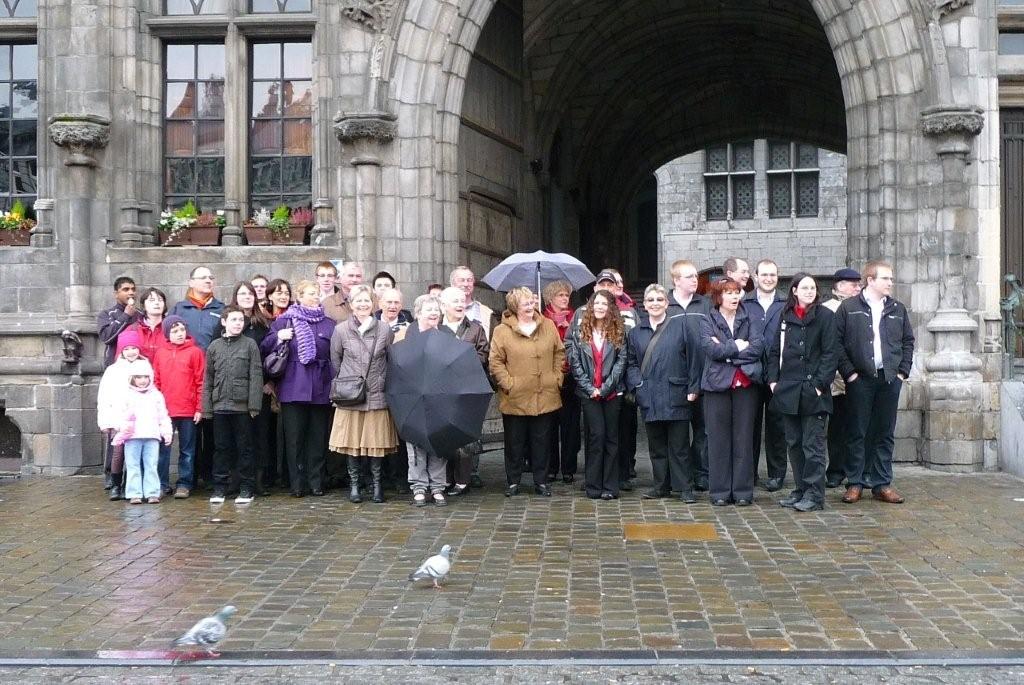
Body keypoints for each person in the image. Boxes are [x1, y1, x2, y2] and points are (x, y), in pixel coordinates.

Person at [835, 260, 915, 505]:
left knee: (884, 431)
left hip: (889, 378)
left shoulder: (897, 309)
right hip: (860, 378)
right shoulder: (849, 308)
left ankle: (881, 483)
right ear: (870, 280)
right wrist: (850, 373)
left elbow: (908, 341)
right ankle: (855, 482)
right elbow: (836, 343)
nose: (890, 283)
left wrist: (902, 372)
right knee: (857, 430)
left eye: (891, 279)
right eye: (885, 279)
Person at [766, 274, 839, 512]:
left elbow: (831, 353)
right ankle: (800, 488)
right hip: (787, 389)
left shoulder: (826, 316)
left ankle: (815, 494)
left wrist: (819, 385)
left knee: (813, 446)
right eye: (804, 287)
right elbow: (775, 349)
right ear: (794, 290)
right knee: (794, 443)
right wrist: (773, 381)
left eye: (813, 288)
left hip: (813, 391)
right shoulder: (784, 316)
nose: (809, 291)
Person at [489, 286, 564, 497]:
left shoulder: (547, 325)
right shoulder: (502, 331)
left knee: (542, 441)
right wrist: (508, 383)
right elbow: (495, 361)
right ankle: (513, 481)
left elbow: (559, 352)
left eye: (532, 302)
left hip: (545, 393)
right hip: (516, 395)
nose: (531, 306)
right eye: (526, 303)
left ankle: (541, 481)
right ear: (515, 307)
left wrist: (556, 377)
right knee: (515, 442)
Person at [263, 280, 336, 498]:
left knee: (318, 437)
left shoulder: (329, 323)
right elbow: (264, 347)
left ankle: (316, 481)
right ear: (300, 296)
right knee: (294, 439)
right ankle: (296, 483)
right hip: (293, 387)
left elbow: (335, 355)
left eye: (317, 293)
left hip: (321, 386)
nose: (315, 297)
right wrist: (278, 337)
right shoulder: (284, 321)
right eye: (311, 293)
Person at [625, 284, 696, 502]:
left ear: (667, 303)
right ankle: (661, 485)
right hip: (650, 395)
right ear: (644, 305)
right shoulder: (636, 333)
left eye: (659, 300)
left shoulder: (681, 326)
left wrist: (693, 387)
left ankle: (684, 488)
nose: (655, 303)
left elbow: (694, 358)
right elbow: (631, 362)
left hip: (677, 392)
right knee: (656, 446)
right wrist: (638, 386)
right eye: (651, 300)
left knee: (680, 446)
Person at [329, 284, 397, 504]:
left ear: (373, 303)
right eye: (358, 300)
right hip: (351, 396)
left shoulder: (384, 330)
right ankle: (355, 485)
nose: (362, 304)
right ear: (351, 304)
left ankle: (377, 486)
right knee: (352, 443)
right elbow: (336, 361)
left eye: (366, 300)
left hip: (376, 394)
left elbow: (389, 360)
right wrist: (349, 382)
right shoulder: (341, 330)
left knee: (375, 443)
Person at [700, 278, 764, 507]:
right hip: (716, 385)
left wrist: (727, 352)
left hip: (745, 384)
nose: (735, 297)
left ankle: (743, 491)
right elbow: (710, 349)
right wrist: (738, 345)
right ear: (719, 297)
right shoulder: (708, 319)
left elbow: (757, 347)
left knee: (743, 438)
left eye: (737, 292)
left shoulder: (751, 317)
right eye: (729, 292)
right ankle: (719, 491)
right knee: (718, 439)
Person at [567, 290, 627, 500]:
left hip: (612, 393)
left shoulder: (618, 332)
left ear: (611, 308)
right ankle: (593, 485)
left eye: (605, 304)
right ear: (591, 306)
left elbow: (621, 362)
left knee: (611, 438)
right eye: (597, 303)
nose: (600, 307)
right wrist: (590, 388)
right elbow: (575, 362)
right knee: (596, 436)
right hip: (588, 393)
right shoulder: (580, 332)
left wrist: (606, 388)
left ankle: (610, 487)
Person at [202, 306, 263, 504]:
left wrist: (254, 405)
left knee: (245, 448)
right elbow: (208, 379)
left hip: (242, 407)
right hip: (220, 406)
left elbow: (256, 375)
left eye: (240, 320)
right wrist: (207, 408)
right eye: (234, 320)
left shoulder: (250, 344)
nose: (238, 324)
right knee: (221, 448)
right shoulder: (214, 347)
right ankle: (220, 487)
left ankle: (246, 487)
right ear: (224, 322)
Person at [397, 294, 452, 506]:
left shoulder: (447, 335)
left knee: (438, 443)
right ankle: (419, 486)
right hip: (412, 397)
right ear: (418, 313)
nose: (433, 313)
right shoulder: (405, 334)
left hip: (441, 397)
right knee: (416, 445)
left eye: (436, 309)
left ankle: (437, 487)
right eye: (429, 309)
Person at [437, 286, 489, 497]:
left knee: (465, 435)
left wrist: (459, 359)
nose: (460, 305)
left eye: (461, 301)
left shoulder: (475, 329)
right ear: (444, 305)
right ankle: (446, 478)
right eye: (454, 301)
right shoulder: (437, 328)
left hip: (467, 388)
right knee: (444, 434)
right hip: (442, 389)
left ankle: (463, 479)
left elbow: (483, 354)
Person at [666, 259, 712, 492]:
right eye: (690, 276)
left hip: (703, 378)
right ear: (676, 280)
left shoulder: (705, 305)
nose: (695, 280)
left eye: (696, 276)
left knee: (703, 430)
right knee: (678, 432)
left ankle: (701, 473)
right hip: (675, 380)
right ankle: (680, 476)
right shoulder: (664, 304)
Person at [593, 269, 640, 490]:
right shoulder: (585, 314)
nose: (606, 288)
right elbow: (575, 349)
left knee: (621, 433)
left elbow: (632, 348)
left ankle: (621, 475)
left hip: (621, 384)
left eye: (609, 285)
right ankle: (596, 477)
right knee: (597, 434)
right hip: (592, 387)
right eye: (602, 284)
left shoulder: (629, 313)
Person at [743, 259, 787, 492]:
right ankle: (749, 474)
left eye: (773, 275)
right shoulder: (744, 302)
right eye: (764, 275)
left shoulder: (786, 303)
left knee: (776, 426)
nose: (769, 279)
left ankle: (777, 474)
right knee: (749, 425)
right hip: (750, 371)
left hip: (777, 373)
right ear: (756, 276)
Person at [152, 315, 205, 499]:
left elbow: (200, 381)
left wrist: (199, 407)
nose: (180, 334)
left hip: (188, 410)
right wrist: (156, 409)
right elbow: (156, 382)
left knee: (187, 450)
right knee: (162, 450)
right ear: (167, 334)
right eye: (175, 331)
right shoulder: (160, 353)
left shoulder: (195, 352)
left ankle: (184, 483)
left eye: (182, 330)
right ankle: (161, 484)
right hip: (165, 411)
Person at [230, 281, 273, 494]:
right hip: (235, 388)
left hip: (259, 386)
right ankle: (237, 479)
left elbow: (270, 355)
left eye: (250, 293)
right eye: (242, 293)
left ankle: (259, 479)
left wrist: (269, 381)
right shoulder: (229, 321)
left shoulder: (263, 323)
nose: (246, 297)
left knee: (259, 435)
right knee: (238, 435)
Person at [96, 330, 150, 501]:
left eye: (134, 348)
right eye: (127, 349)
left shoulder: (145, 367)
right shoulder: (113, 370)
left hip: (140, 419)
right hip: (118, 419)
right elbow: (104, 397)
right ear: (121, 351)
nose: (131, 352)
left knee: (135, 454)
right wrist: (105, 421)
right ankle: (115, 484)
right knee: (118, 453)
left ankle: (131, 484)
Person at [821, 268, 863, 488]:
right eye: (851, 283)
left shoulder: (864, 307)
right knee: (837, 427)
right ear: (837, 286)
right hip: (836, 378)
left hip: (861, 376)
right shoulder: (827, 309)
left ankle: (858, 469)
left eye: (858, 283)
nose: (856, 287)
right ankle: (836, 469)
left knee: (857, 425)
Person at [110, 360, 172, 505]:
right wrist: (122, 426)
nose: (142, 381)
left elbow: (163, 415)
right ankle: (134, 493)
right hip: (132, 437)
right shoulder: (126, 395)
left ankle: (152, 492)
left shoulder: (156, 395)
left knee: (151, 464)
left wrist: (166, 432)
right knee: (133, 465)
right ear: (132, 378)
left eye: (145, 377)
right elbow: (118, 414)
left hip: (152, 436)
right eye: (138, 377)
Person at [542, 280, 581, 484]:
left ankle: (568, 467)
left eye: (567, 295)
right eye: (560, 295)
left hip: (571, 376)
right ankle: (551, 467)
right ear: (550, 298)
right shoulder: (542, 319)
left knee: (570, 425)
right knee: (549, 424)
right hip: (549, 376)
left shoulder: (576, 317)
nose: (565, 298)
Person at [170, 266, 224, 350]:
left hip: (212, 361)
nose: (208, 281)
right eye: (203, 278)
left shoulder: (221, 309)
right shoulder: (178, 309)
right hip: (186, 361)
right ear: (191, 283)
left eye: (211, 278)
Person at [98, 276, 141, 368]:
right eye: (126, 290)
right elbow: (106, 338)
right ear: (116, 294)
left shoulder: (141, 314)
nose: (131, 293)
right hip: (115, 365)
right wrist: (125, 316)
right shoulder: (107, 314)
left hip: (139, 365)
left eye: (133, 289)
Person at [122, 287, 168, 364]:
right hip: (140, 374)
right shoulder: (132, 329)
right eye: (152, 300)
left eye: (160, 300)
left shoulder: (173, 328)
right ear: (143, 306)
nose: (157, 303)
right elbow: (121, 358)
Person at [451, 266, 496, 340]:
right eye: (461, 280)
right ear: (452, 284)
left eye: (469, 280)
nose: (466, 284)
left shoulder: (486, 313)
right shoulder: (441, 309)